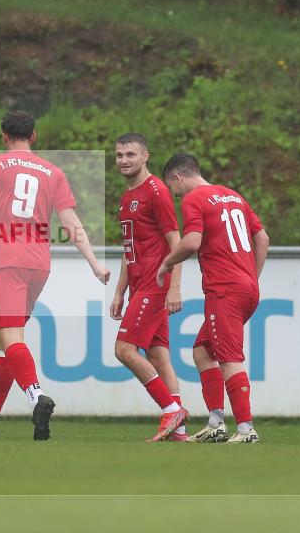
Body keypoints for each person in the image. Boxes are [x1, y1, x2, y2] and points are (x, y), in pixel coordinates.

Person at [0, 110, 109, 441]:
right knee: (3, 340)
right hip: (39, 263)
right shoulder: (53, 172)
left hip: (7, 260)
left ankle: (36, 397)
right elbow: (71, 223)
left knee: (11, 337)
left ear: (4, 136)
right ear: (33, 136)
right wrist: (95, 263)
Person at [156, 154, 269, 443]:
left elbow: (192, 242)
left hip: (224, 290)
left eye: (173, 187)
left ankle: (246, 429)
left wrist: (168, 262)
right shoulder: (233, 196)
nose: (175, 193)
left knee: (229, 358)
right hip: (247, 287)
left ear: (177, 179)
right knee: (203, 351)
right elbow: (263, 238)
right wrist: (250, 277)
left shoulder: (194, 199)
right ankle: (217, 423)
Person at [110, 133, 188, 442]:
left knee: (124, 350)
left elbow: (177, 243)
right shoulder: (127, 197)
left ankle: (171, 410)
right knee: (158, 357)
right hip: (138, 284)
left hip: (156, 285)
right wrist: (119, 290)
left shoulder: (156, 191)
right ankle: (179, 431)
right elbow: (130, 247)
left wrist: (174, 287)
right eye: (119, 155)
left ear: (146, 156)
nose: (124, 160)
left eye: (130, 154)